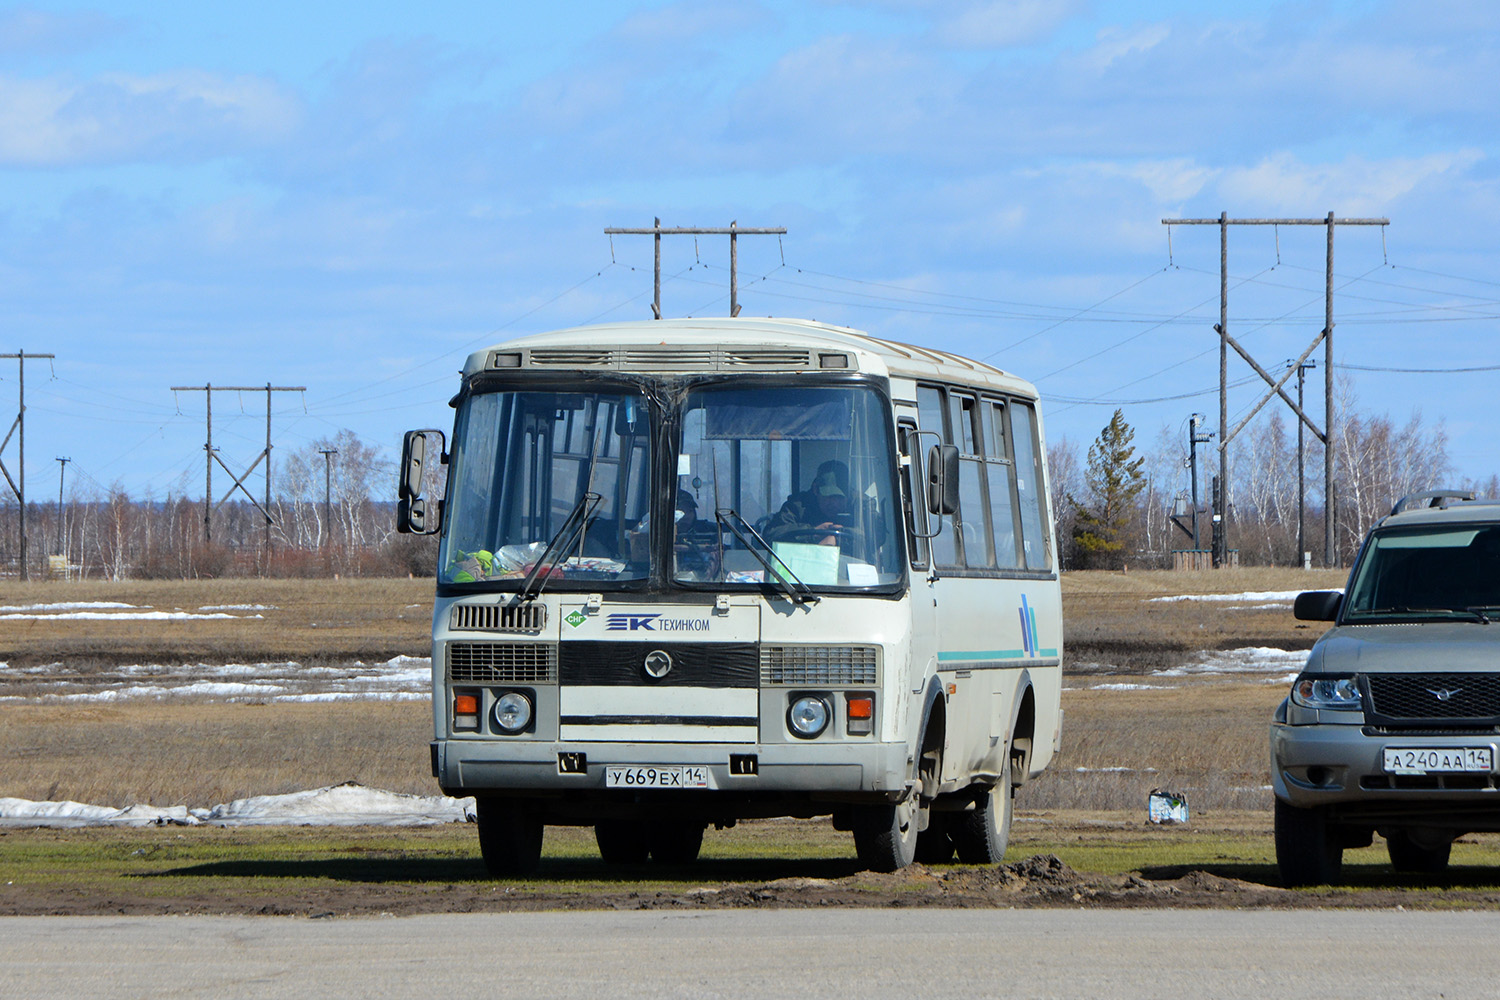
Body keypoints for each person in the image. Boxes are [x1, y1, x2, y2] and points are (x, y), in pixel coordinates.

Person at [765, 460, 856, 546]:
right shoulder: (798, 507)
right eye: (829, 497)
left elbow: (868, 536)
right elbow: (771, 534)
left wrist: (838, 537)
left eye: (840, 498)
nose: (835, 503)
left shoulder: (859, 507)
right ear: (815, 489)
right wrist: (813, 532)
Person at [672, 488, 721, 579]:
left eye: (690, 511)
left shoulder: (707, 531)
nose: (686, 517)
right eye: (681, 511)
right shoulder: (660, 535)